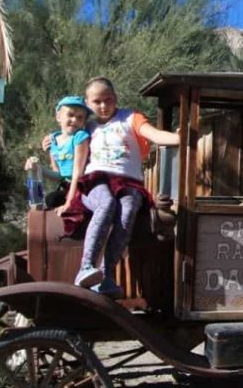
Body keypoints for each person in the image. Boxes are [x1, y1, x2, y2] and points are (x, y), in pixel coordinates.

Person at [67, 77, 180, 297]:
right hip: (96, 180)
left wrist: (178, 138)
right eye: (96, 101)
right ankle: (86, 267)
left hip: (129, 182)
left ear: (115, 98)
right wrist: (49, 144)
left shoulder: (129, 118)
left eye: (107, 100)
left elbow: (154, 135)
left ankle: (106, 275)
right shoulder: (85, 127)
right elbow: (66, 149)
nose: (103, 105)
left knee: (127, 211)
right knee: (106, 203)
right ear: (87, 103)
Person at [26, 95, 91, 209]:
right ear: (58, 117)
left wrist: (69, 201)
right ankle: (36, 206)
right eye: (70, 115)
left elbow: (77, 173)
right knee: (51, 199)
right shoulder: (53, 140)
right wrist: (37, 167)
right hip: (66, 184)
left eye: (80, 117)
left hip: (82, 184)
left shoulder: (80, 137)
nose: (74, 120)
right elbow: (58, 173)